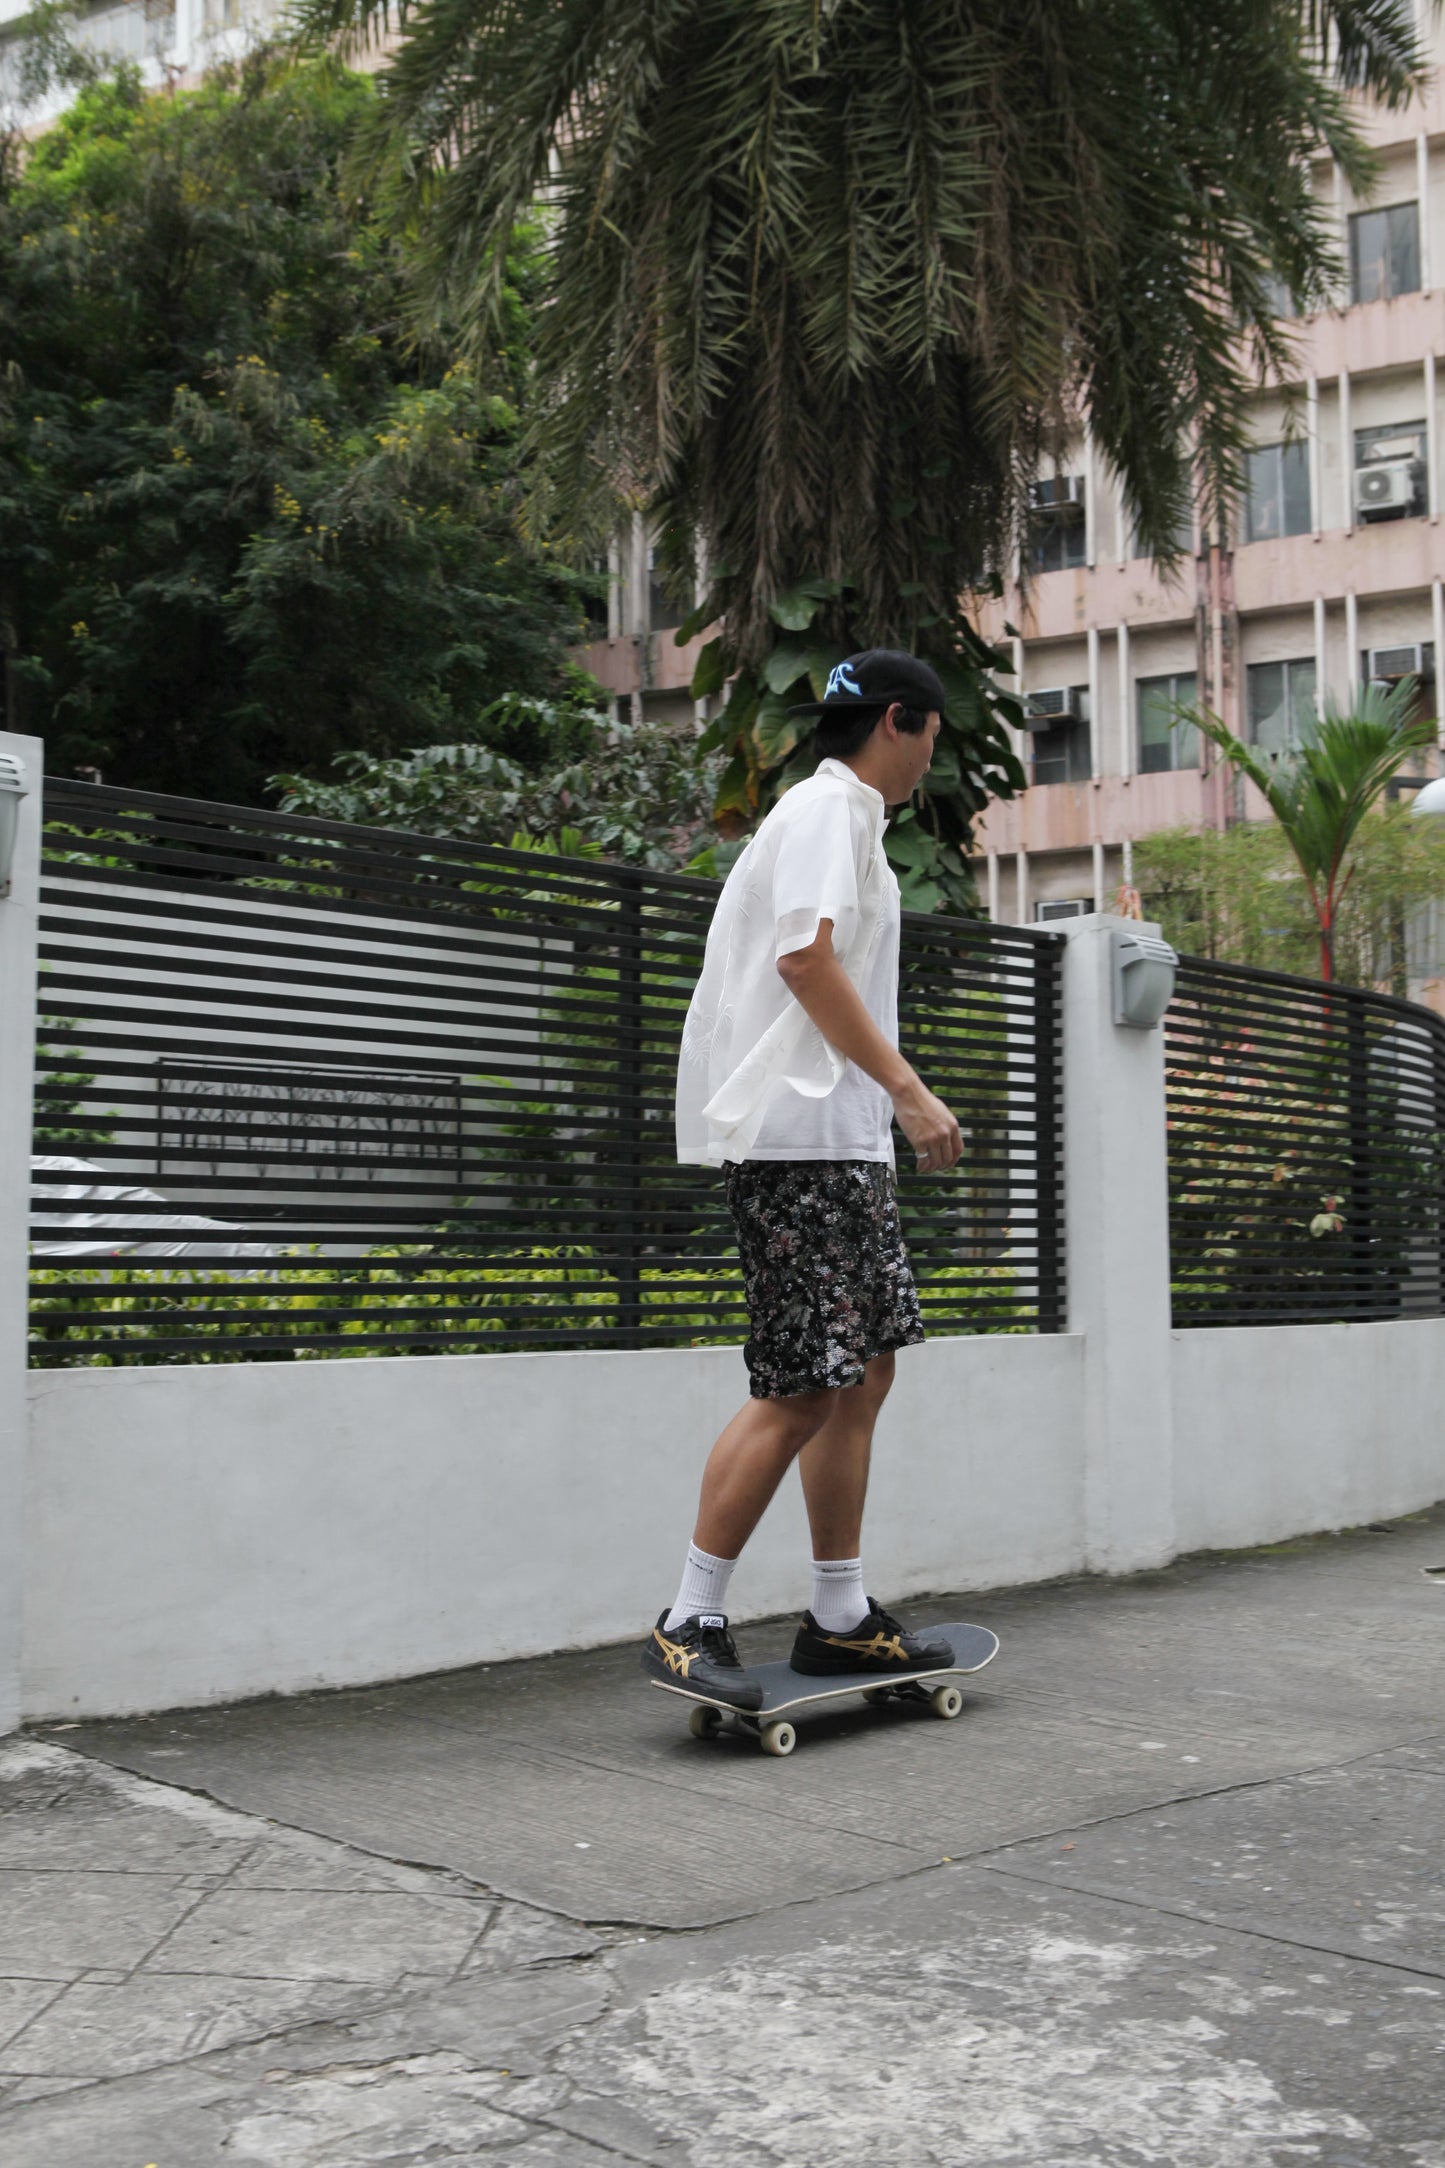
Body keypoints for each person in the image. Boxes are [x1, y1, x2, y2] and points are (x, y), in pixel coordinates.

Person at [641, 648, 964, 1710]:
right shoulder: (827, 814)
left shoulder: (847, 821)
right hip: (796, 1144)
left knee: (861, 1371)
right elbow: (803, 957)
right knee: (800, 1382)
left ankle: (836, 1614)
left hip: (840, 1141)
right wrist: (911, 1090)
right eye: (931, 733)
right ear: (899, 721)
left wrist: (882, 1113)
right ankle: (689, 1616)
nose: (931, 757)